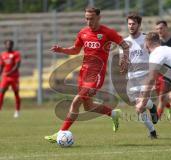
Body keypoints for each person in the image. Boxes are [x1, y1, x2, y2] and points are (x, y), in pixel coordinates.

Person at [44, 7, 129, 143]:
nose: (89, 21)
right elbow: (76, 50)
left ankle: (61, 132)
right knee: (88, 106)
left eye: (92, 19)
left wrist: (125, 59)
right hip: (83, 73)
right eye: (86, 18)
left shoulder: (108, 32)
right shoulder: (83, 32)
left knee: (76, 100)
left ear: (99, 18)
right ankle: (113, 113)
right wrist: (62, 50)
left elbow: (125, 46)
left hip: (96, 75)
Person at [119, 13, 158, 139]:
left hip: (146, 75)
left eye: (133, 24)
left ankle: (151, 112)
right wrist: (123, 64)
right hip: (132, 77)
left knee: (140, 104)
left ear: (139, 25)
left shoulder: (146, 39)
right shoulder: (124, 42)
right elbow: (123, 59)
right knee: (139, 108)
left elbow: (157, 53)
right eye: (129, 24)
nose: (131, 26)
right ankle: (152, 129)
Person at [0, 40, 21, 118]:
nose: (9, 46)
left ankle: (17, 111)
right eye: (7, 44)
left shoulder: (16, 54)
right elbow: (1, 67)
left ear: (12, 45)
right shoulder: (2, 55)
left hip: (14, 77)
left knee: (16, 93)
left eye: (10, 44)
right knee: (1, 92)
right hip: (5, 77)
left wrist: (9, 72)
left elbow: (17, 66)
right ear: (5, 45)